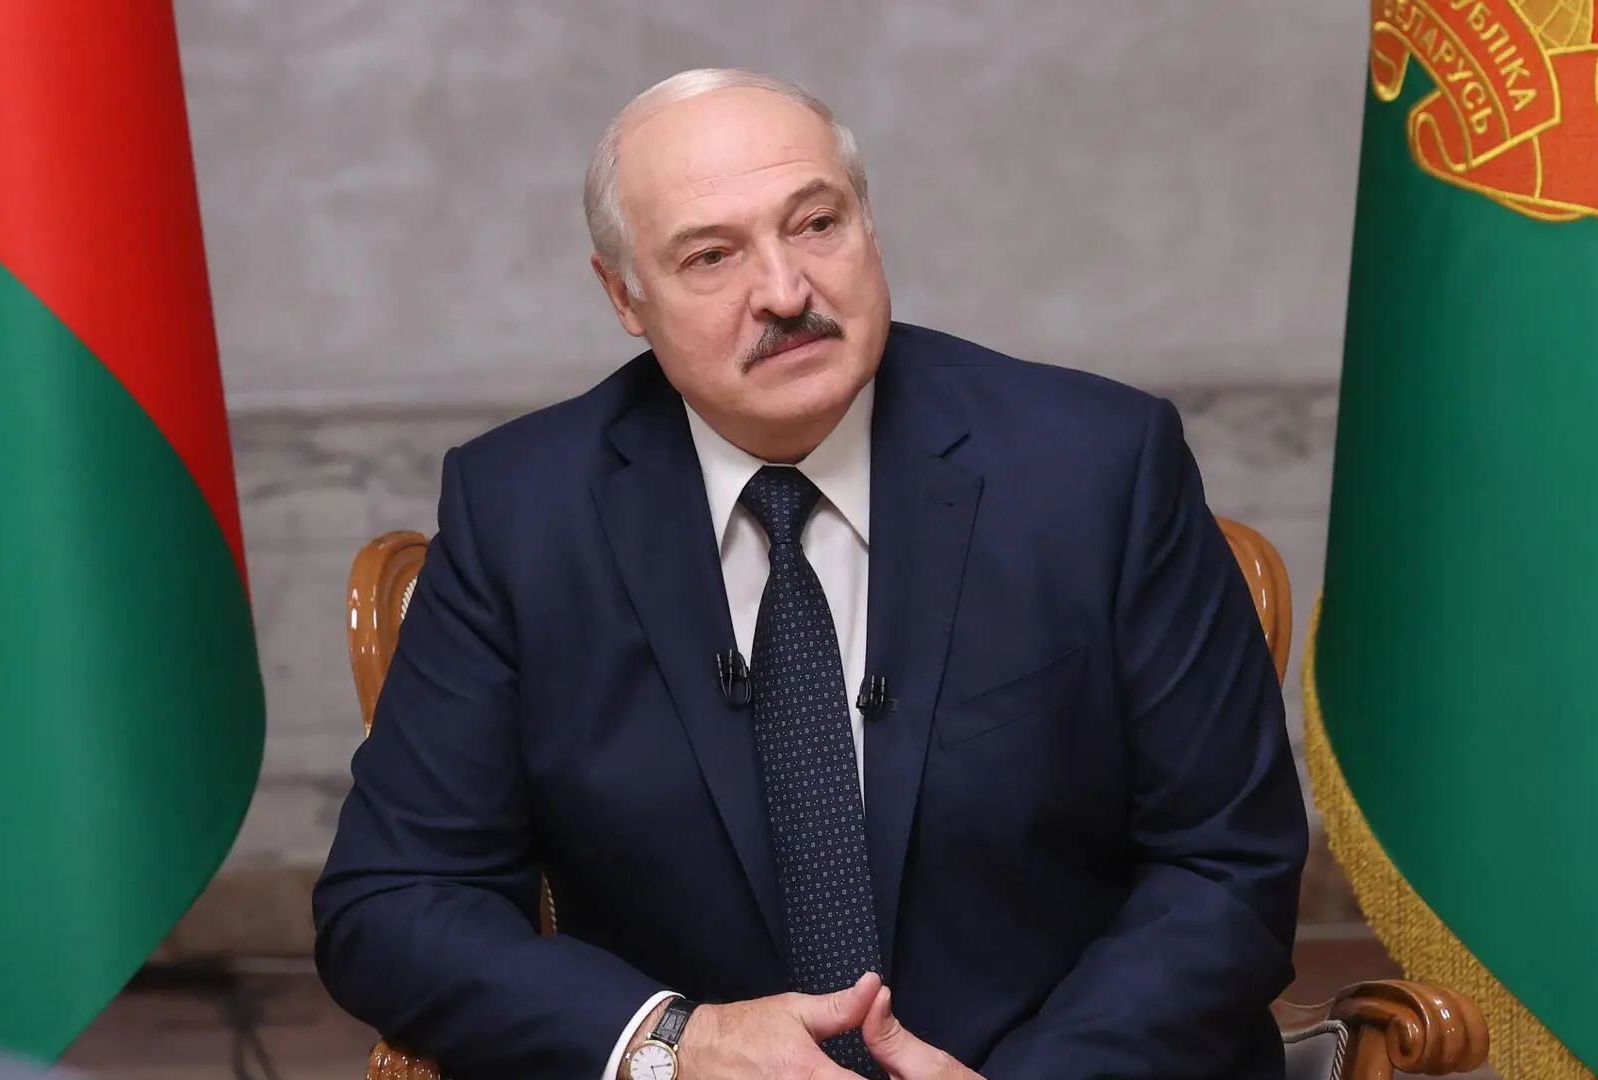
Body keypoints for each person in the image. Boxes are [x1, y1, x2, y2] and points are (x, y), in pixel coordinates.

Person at [313, 68, 1307, 1080]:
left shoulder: (1096, 467)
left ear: (868, 226)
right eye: (711, 256)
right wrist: (673, 1044)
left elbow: (1228, 865)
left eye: (817, 224)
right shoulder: (523, 514)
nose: (786, 293)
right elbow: (393, 900)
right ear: (624, 295)